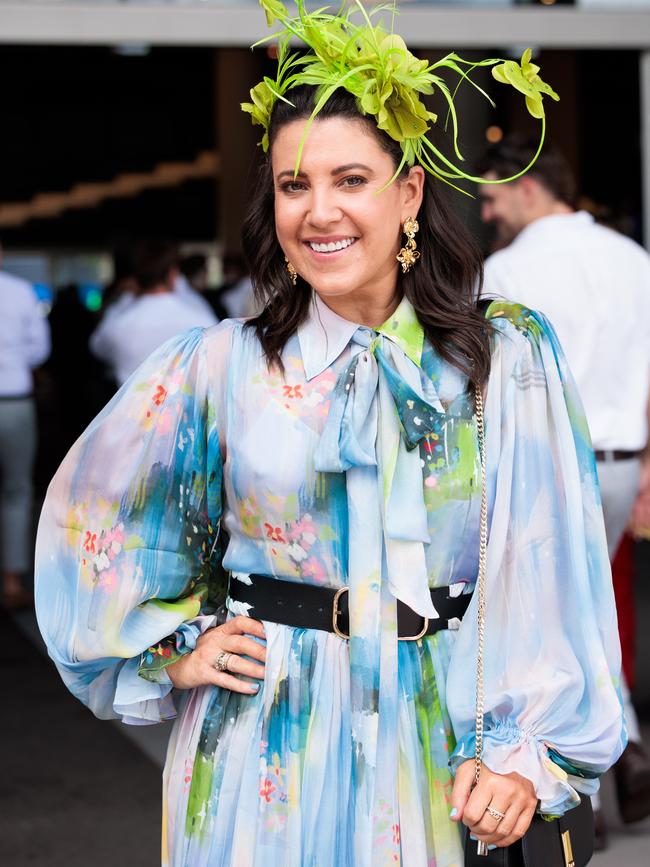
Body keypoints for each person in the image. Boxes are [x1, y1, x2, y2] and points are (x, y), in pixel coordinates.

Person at [36, 4, 624, 865]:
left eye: (351, 179)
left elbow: (549, 566)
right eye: (293, 184)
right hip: (261, 736)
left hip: (444, 733)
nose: (320, 212)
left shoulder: (504, 358)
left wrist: (526, 753)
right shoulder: (218, 365)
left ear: (409, 190)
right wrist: (173, 644)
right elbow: (92, 520)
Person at [478, 136, 650, 844]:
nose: (486, 213)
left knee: (548, 625)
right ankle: (619, 748)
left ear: (527, 187)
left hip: (543, 464)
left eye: (490, 197)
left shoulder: (510, 268)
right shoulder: (631, 259)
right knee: (586, 612)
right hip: (620, 459)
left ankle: (585, 775)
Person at [89, 240, 218, 386]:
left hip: (132, 407)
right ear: (173, 274)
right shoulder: (199, 317)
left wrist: (125, 298)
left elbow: (97, 347)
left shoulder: (118, 324)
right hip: (186, 408)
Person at [0, 249, 50, 607]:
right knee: (16, 492)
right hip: (14, 401)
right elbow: (39, 351)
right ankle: (12, 580)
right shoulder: (20, 292)